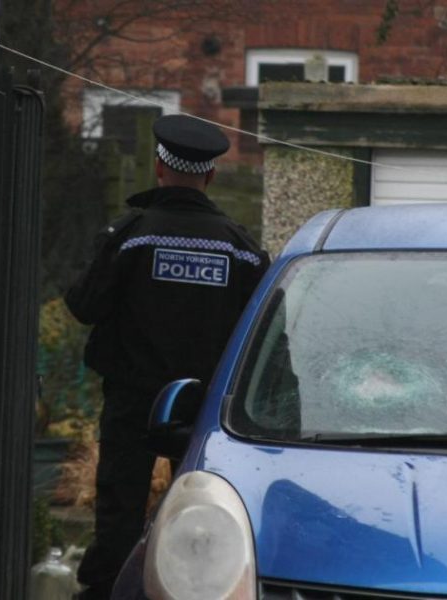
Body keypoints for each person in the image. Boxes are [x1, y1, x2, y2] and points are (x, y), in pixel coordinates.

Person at [64, 114, 270, 599]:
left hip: (133, 401)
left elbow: (83, 305)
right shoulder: (237, 248)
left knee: (118, 515)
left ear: (159, 168)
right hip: (205, 410)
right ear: (211, 175)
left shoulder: (131, 236)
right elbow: (261, 336)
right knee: (205, 516)